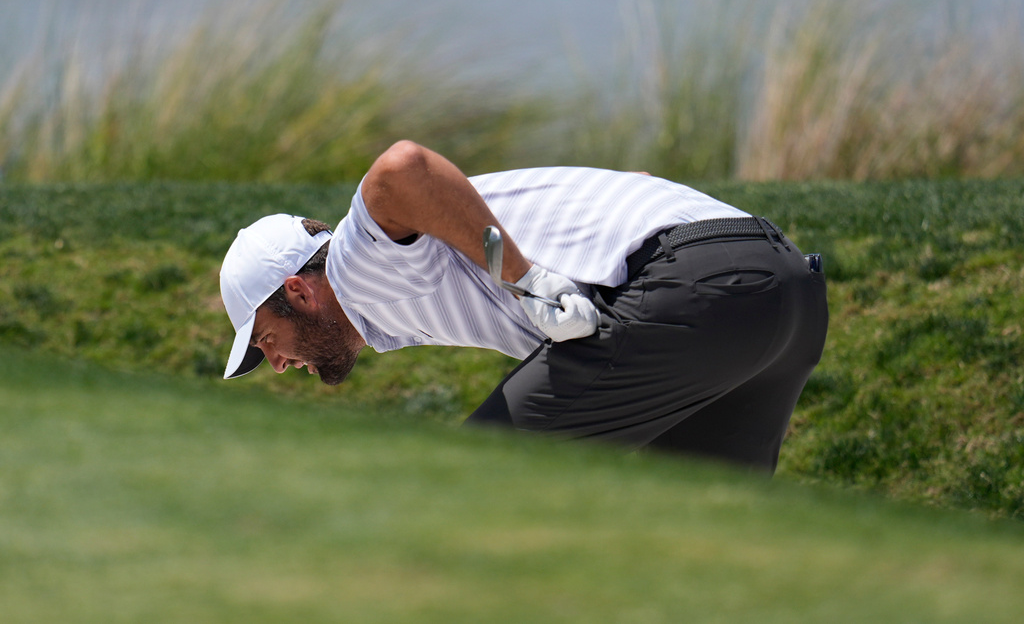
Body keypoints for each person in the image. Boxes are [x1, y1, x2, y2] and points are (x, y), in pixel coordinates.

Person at [220, 140, 828, 473]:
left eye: (266, 341)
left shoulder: (356, 270)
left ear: (299, 291)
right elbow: (636, 184)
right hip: (787, 294)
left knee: (469, 486)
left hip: (696, 294)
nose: (274, 364)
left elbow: (401, 171)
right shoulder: (399, 288)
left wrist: (526, 281)